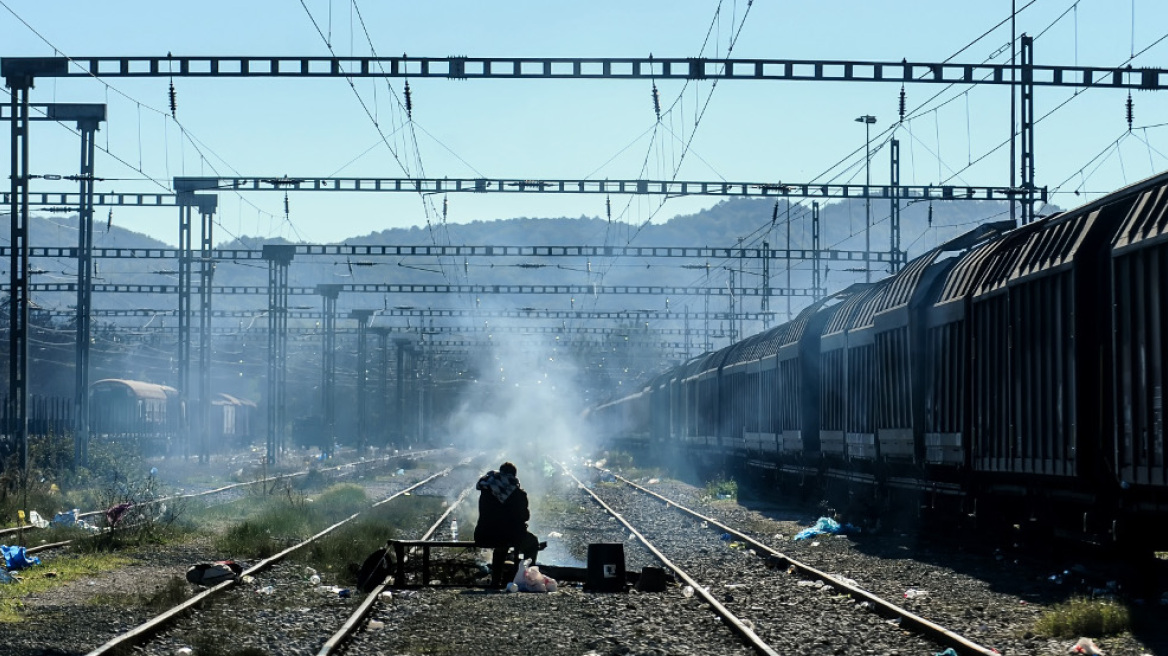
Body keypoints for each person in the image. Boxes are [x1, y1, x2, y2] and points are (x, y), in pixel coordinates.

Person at [474, 461, 540, 587]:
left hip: (483, 534)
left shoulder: (486, 489)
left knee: (500, 546)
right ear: (514, 476)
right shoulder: (518, 493)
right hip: (509, 535)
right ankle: (527, 579)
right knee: (532, 543)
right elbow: (525, 516)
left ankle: (495, 581)